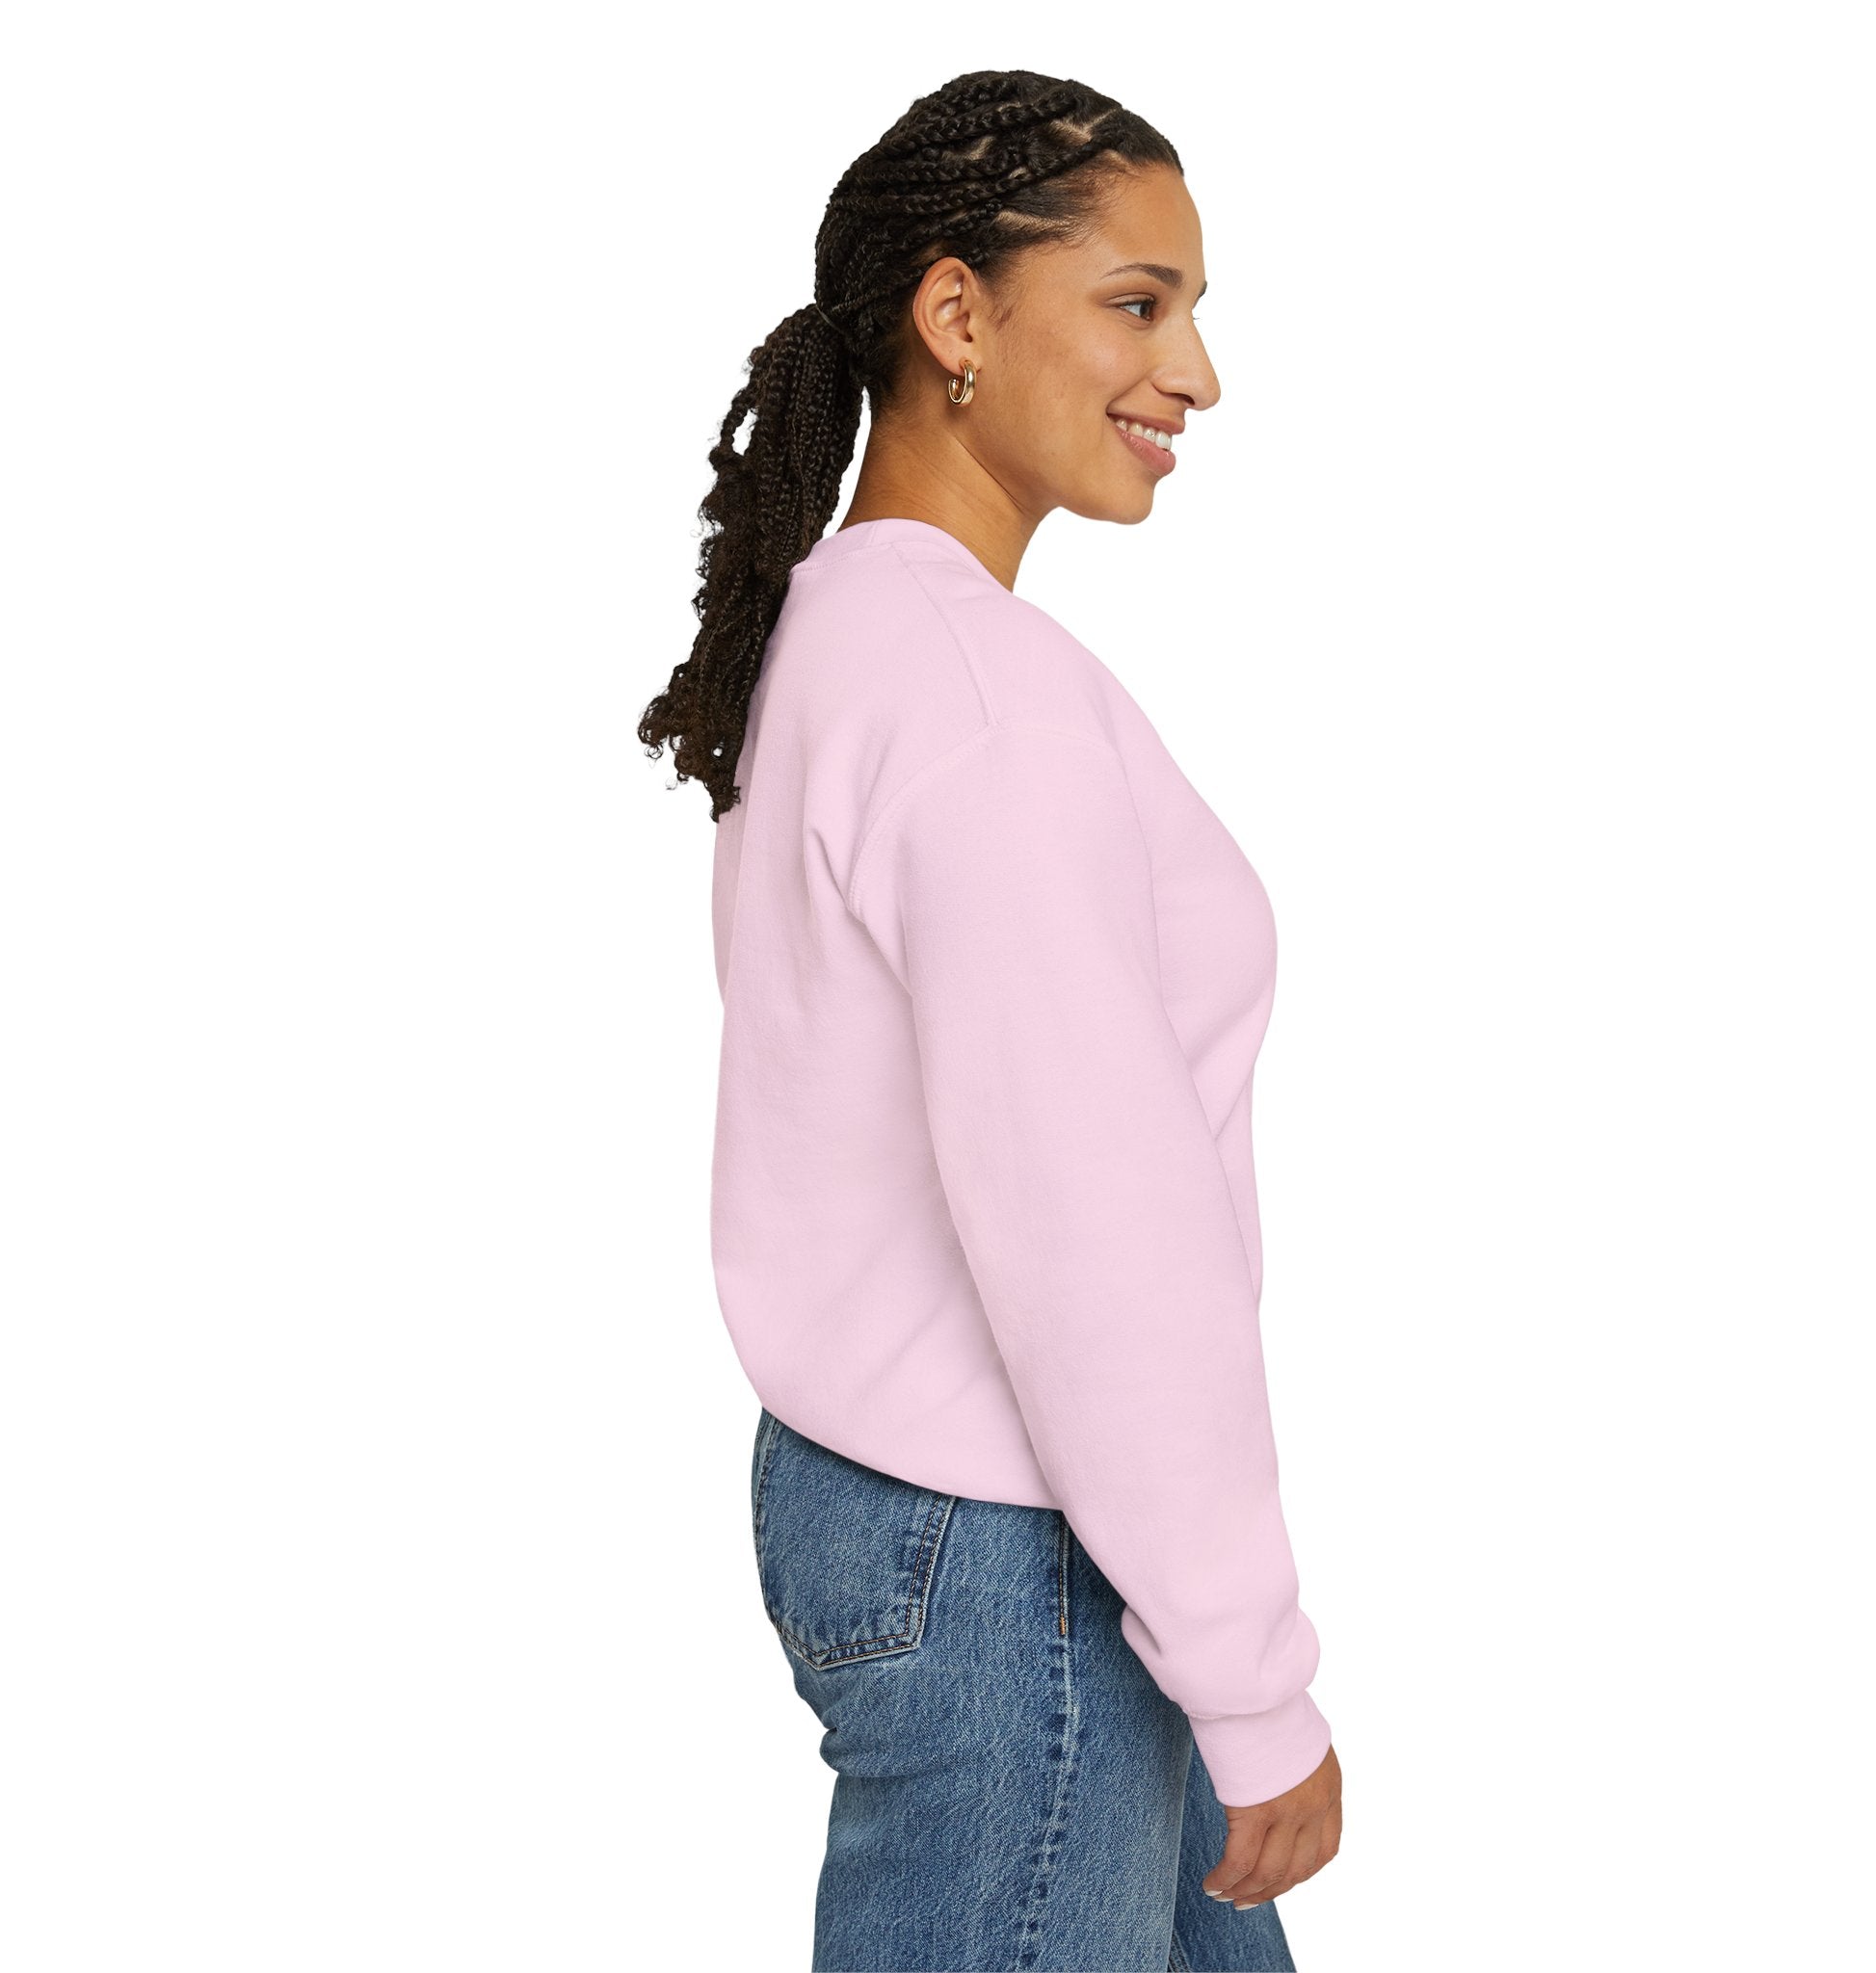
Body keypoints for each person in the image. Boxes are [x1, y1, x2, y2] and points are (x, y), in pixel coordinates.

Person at [640, 67, 1344, 1973]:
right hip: (1012, 1554)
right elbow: (1093, 1228)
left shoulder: (846, 639)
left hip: (943, 1521)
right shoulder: (972, 698)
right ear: (956, 318)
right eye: (1137, 303)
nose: (1194, 372)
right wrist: (1252, 1674)